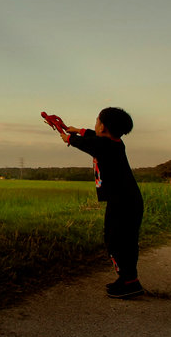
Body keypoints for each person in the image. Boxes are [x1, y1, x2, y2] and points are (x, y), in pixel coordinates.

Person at [60, 107, 144, 299]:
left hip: (123, 203)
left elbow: (89, 144)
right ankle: (128, 280)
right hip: (126, 201)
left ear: (103, 126)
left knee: (116, 241)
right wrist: (77, 130)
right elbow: (93, 138)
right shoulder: (114, 142)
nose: (95, 125)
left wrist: (70, 139)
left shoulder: (105, 147)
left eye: (97, 121)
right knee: (124, 242)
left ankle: (129, 282)